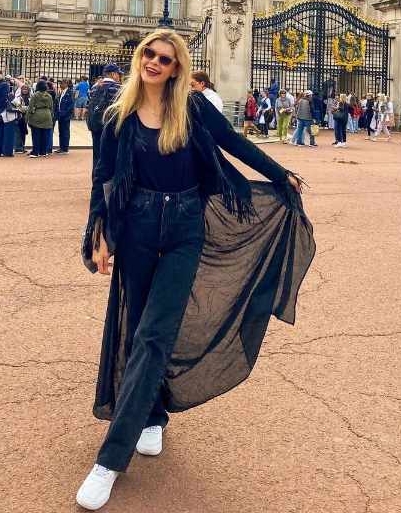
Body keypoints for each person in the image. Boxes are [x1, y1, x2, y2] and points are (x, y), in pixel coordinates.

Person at [77, 28, 313, 512]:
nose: (155, 63)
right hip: (138, 225)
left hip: (185, 225)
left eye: (165, 58)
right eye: (150, 54)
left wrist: (278, 174)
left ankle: (108, 461)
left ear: (177, 66)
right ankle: (152, 414)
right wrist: (99, 232)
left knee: (154, 336)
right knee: (138, 329)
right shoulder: (115, 114)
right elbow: (102, 178)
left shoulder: (193, 106)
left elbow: (232, 143)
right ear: (140, 57)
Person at [87, 64, 123, 171]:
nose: (119, 76)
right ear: (112, 74)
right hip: (110, 126)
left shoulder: (94, 87)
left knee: (97, 156)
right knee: (111, 157)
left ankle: (97, 182)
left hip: (95, 126)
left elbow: (89, 105)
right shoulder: (117, 87)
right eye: (118, 74)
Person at [26, 80, 54, 158]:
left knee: (36, 135)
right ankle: (43, 151)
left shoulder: (35, 95)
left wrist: (27, 118)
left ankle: (35, 152)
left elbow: (30, 108)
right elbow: (51, 108)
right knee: (45, 135)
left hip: (37, 115)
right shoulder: (49, 96)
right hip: (47, 114)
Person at [0, 71, 17, 157]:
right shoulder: (5, 85)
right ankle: (7, 152)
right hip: (5, 112)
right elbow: (6, 97)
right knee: (8, 134)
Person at [55, 79, 74, 154]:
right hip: (60, 115)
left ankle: (65, 148)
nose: (60, 85)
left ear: (66, 84)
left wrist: (64, 113)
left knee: (65, 132)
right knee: (61, 132)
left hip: (66, 116)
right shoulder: (61, 92)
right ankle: (61, 147)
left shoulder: (70, 93)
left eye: (62, 83)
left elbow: (71, 105)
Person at [13, 84, 31, 153]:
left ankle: (22, 146)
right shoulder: (18, 97)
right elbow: (16, 106)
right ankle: (18, 147)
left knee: (24, 132)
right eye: (23, 89)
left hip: (26, 117)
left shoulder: (30, 98)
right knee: (19, 132)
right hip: (19, 116)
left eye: (26, 89)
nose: (25, 90)